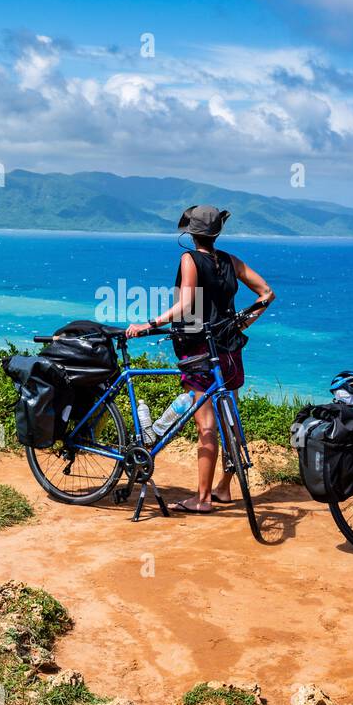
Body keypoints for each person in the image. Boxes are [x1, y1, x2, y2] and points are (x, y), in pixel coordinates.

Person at [126, 205, 275, 512]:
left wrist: (149, 325)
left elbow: (186, 305)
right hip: (230, 350)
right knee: (229, 420)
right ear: (217, 232)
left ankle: (203, 499)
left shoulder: (189, 258)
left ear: (190, 233)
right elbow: (267, 294)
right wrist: (240, 324)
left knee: (205, 425)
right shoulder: (231, 261)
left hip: (199, 349)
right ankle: (223, 488)